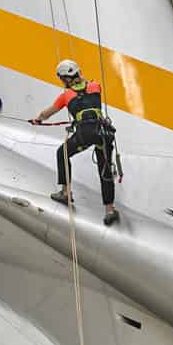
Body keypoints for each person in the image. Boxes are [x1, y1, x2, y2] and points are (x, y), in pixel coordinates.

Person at [30, 59, 119, 226]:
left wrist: (37, 120)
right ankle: (110, 210)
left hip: (85, 134)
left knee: (62, 152)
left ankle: (65, 192)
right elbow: (88, 99)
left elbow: (47, 113)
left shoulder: (65, 96)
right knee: (105, 170)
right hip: (104, 133)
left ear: (66, 78)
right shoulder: (95, 86)